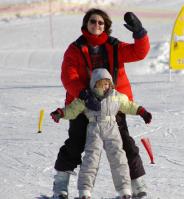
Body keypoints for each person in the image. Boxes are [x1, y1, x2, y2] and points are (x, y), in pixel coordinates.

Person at [51, 8, 150, 199]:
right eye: (92, 21)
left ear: (106, 26)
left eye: (100, 22)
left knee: (125, 145)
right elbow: (68, 75)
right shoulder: (75, 48)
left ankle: (138, 186)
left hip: (113, 104)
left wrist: (140, 33)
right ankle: (60, 186)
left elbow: (139, 52)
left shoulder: (114, 46)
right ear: (86, 24)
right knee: (75, 144)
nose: (96, 25)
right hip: (81, 102)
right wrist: (83, 94)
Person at [51, 68, 152, 199]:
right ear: (94, 85)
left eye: (107, 84)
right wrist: (60, 113)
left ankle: (124, 190)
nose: (105, 87)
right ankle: (85, 191)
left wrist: (142, 112)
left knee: (118, 158)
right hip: (94, 129)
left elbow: (129, 105)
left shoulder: (116, 96)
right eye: (101, 84)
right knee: (91, 159)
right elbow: (73, 109)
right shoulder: (86, 98)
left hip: (112, 128)